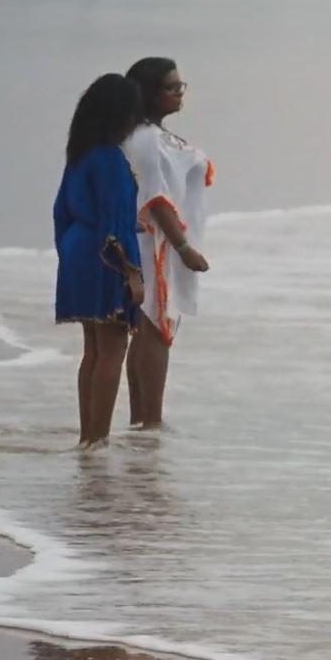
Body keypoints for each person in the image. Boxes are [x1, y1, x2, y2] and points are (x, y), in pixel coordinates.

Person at [54, 74, 146, 448]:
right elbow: (113, 226)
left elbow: (61, 210)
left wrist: (70, 254)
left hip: (77, 251)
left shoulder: (79, 154)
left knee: (92, 351)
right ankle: (99, 440)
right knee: (113, 350)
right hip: (104, 257)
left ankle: (87, 438)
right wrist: (131, 273)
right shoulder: (109, 158)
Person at [121, 57, 213, 430]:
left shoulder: (155, 135)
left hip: (164, 240)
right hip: (154, 243)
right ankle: (150, 422)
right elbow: (154, 198)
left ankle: (142, 420)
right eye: (170, 87)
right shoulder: (143, 138)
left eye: (180, 86)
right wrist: (183, 247)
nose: (179, 93)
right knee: (156, 328)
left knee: (149, 329)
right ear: (148, 93)